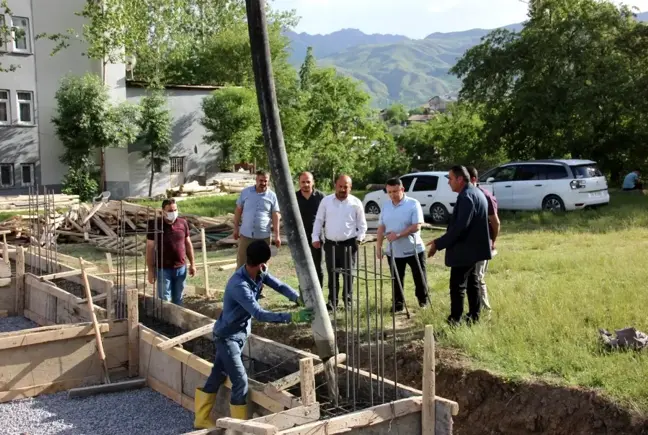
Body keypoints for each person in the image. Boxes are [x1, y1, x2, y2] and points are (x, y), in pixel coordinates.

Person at [193, 240, 314, 428]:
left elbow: (279, 285)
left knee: (217, 374)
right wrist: (292, 317)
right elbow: (259, 313)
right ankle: (239, 429)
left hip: (239, 335)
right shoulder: (239, 285)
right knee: (240, 381)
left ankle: (201, 419)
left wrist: (296, 298)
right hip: (227, 338)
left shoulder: (258, 274)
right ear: (260, 263)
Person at [427, 165, 491, 325]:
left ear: (460, 179)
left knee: (458, 286)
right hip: (473, 250)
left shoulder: (467, 196)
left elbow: (460, 228)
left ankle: (455, 320)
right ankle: (474, 316)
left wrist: (438, 243)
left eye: (450, 178)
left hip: (465, 251)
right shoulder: (476, 192)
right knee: (472, 282)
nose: (448, 182)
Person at [312, 174, 367, 311]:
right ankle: (332, 301)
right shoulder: (326, 201)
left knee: (348, 274)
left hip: (349, 244)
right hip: (331, 245)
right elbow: (319, 220)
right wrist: (315, 237)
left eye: (346, 187)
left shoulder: (356, 203)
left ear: (350, 187)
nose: (343, 189)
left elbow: (362, 225)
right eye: (340, 186)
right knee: (332, 274)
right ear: (335, 186)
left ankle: (348, 301)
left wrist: (360, 238)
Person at [376, 177, 429, 312]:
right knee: (396, 278)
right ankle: (398, 304)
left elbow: (417, 226)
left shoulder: (413, 204)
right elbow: (381, 227)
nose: (392, 195)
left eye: (395, 191)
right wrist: (379, 246)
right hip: (394, 250)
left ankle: (423, 302)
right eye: (389, 192)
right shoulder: (386, 206)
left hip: (414, 249)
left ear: (402, 189)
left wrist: (398, 235)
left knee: (419, 278)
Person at [233, 170, 281, 298]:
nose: (263, 183)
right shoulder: (246, 193)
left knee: (262, 265)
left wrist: (277, 235)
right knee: (242, 262)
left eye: (265, 181)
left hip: (263, 236)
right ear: (256, 180)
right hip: (246, 234)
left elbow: (276, 215)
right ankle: (239, 289)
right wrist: (235, 228)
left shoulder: (272, 196)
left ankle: (259, 290)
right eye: (261, 180)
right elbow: (238, 210)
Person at [146, 199, 196, 306]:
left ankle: (178, 321)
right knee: (164, 300)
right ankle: (165, 322)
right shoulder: (155, 225)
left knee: (179, 298)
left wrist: (193, 264)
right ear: (163, 211)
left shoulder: (183, 223)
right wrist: (150, 270)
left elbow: (188, 244)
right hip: (163, 269)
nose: (173, 213)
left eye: (175, 210)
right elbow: (150, 248)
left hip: (181, 268)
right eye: (170, 211)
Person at [467, 166, 500, 311]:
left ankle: (486, 311)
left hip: (482, 245)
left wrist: (492, 242)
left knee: (478, 278)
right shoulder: (466, 195)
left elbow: (495, 222)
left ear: (474, 179)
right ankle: (475, 309)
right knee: (470, 279)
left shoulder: (484, 196)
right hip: (468, 245)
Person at [295, 171, 325, 287]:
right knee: (302, 266)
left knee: (317, 266)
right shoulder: (294, 197)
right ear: (299, 183)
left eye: (308, 182)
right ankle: (304, 295)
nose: (306, 184)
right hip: (300, 237)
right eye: (303, 182)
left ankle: (319, 294)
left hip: (316, 237)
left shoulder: (321, 197)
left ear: (313, 183)